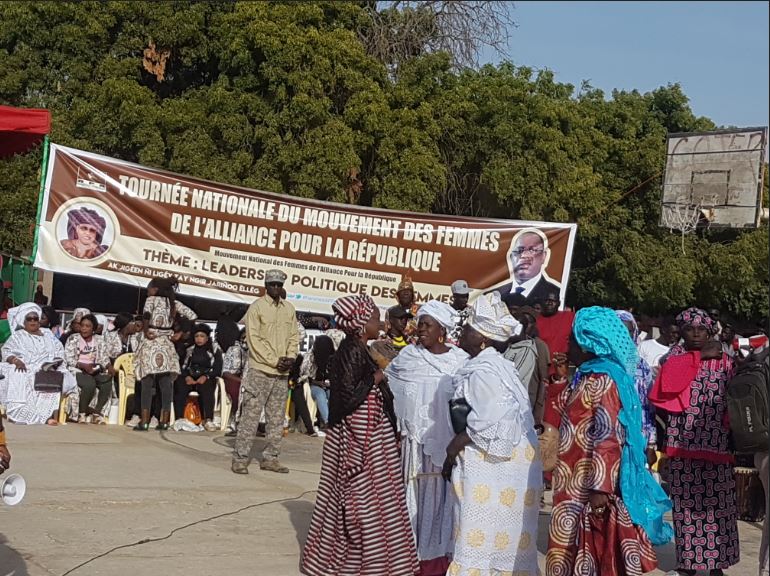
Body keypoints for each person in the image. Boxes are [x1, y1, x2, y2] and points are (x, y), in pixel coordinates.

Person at [301, 294, 419, 576]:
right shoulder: (352, 352)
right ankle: (371, 564)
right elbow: (349, 397)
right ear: (361, 323)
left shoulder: (360, 348)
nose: (380, 322)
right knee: (366, 506)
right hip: (363, 444)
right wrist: (376, 378)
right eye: (375, 318)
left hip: (367, 440)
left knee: (367, 505)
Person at [546, 306, 668, 576]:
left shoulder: (605, 379)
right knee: (570, 548)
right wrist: (560, 380)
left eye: (572, 340)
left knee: (591, 553)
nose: (568, 345)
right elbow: (566, 415)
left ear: (590, 343)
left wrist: (601, 487)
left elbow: (609, 435)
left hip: (588, 482)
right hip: (572, 477)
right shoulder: (587, 375)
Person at [441, 292, 541, 576]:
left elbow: (488, 419)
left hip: (491, 467)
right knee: (501, 541)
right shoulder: (496, 367)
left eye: (470, 327)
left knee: (478, 537)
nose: (464, 331)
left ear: (482, 338)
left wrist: (452, 449)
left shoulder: (485, 371)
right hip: (506, 466)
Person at [385, 300, 468, 576]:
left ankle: (433, 561)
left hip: (445, 447)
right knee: (412, 498)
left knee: (439, 502)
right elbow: (388, 387)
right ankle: (406, 557)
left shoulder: (460, 362)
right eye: (419, 323)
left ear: (441, 330)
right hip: (412, 446)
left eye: (427, 324)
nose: (420, 329)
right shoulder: (408, 357)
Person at [658, 308, 739, 576]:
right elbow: (666, 382)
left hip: (718, 444)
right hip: (682, 445)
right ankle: (689, 562)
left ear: (709, 331)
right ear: (681, 332)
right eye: (690, 329)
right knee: (686, 508)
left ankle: (716, 564)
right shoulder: (674, 357)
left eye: (701, 329)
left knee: (719, 508)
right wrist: (699, 356)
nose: (695, 333)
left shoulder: (726, 361)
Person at [231, 269, 299, 475]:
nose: (276, 288)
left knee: (277, 418)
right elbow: (254, 340)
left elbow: (293, 336)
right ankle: (240, 459)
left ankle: (271, 458)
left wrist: (290, 357)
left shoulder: (289, 309)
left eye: (279, 285)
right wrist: (274, 360)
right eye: (272, 285)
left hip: (281, 373)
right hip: (260, 371)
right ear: (266, 286)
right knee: (250, 417)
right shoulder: (257, 308)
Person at [133, 277, 197, 431]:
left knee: (147, 382)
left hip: (151, 342)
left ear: (155, 289)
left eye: (149, 288)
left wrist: (146, 330)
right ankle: (164, 421)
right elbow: (193, 316)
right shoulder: (173, 303)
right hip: (167, 344)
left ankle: (145, 421)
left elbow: (146, 315)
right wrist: (180, 332)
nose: (148, 291)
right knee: (165, 384)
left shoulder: (151, 299)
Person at [0, 303, 78, 425]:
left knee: (62, 376)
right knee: (21, 375)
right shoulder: (18, 336)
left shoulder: (48, 334)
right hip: (26, 368)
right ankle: (38, 417)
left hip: (49, 368)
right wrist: (16, 360)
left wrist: (55, 363)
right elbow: (6, 351)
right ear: (23, 321)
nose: (33, 321)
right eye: (29, 319)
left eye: (35, 318)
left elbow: (59, 351)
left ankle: (47, 414)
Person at [616, 310, 656, 449]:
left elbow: (649, 406)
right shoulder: (598, 363)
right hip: (609, 440)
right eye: (619, 330)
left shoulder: (642, 366)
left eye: (628, 331)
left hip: (638, 439)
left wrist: (651, 443)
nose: (624, 336)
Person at [504, 305, 549, 429]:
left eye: (529, 323)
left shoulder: (538, 347)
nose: (526, 326)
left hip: (528, 402)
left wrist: (537, 412)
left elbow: (543, 381)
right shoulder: (508, 345)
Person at [64, 313, 113, 424]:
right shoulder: (73, 338)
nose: (84, 329)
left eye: (88, 326)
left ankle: (97, 413)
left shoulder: (99, 340)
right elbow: (69, 358)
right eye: (82, 326)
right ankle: (81, 413)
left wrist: (109, 366)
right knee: (89, 384)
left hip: (94, 368)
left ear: (93, 329)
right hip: (77, 369)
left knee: (107, 381)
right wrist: (82, 365)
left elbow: (104, 357)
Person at [176, 324, 222, 431]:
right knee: (180, 384)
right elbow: (183, 366)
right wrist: (187, 376)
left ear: (207, 338)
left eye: (202, 336)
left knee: (208, 387)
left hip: (206, 378)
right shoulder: (190, 349)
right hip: (191, 378)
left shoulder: (214, 349)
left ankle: (208, 419)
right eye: (197, 336)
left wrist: (206, 376)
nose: (199, 339)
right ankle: (179, 417)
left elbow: (217, 368)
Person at [495, 228, 561, 303]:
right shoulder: (495, 295)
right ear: (511, 257)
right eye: (519, 250)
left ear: (544, 256)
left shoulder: (555, 294)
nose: (524, 255)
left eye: (532, 250)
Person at [299, 335, 336, 429]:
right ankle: (328, 422)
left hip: (327, 385)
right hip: (311, 384)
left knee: (333, 394)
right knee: (320, 394)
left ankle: (335, 421)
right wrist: (317, 382)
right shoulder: (310, 357)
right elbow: (303, 375)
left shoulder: (332, 357)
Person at [217, 317, 245, 433]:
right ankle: (235, 422)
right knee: (239, 392)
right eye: (244, 338)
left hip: (247, 378)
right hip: (232, 378)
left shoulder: (253, 352)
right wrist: (240, 380)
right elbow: (226, 372)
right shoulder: (233, 349)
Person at [448, 279, 472, 344]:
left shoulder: (472, 312)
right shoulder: (446, 311)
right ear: (454, 296)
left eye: (467, 296)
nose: (466, 299)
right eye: (462, 297)